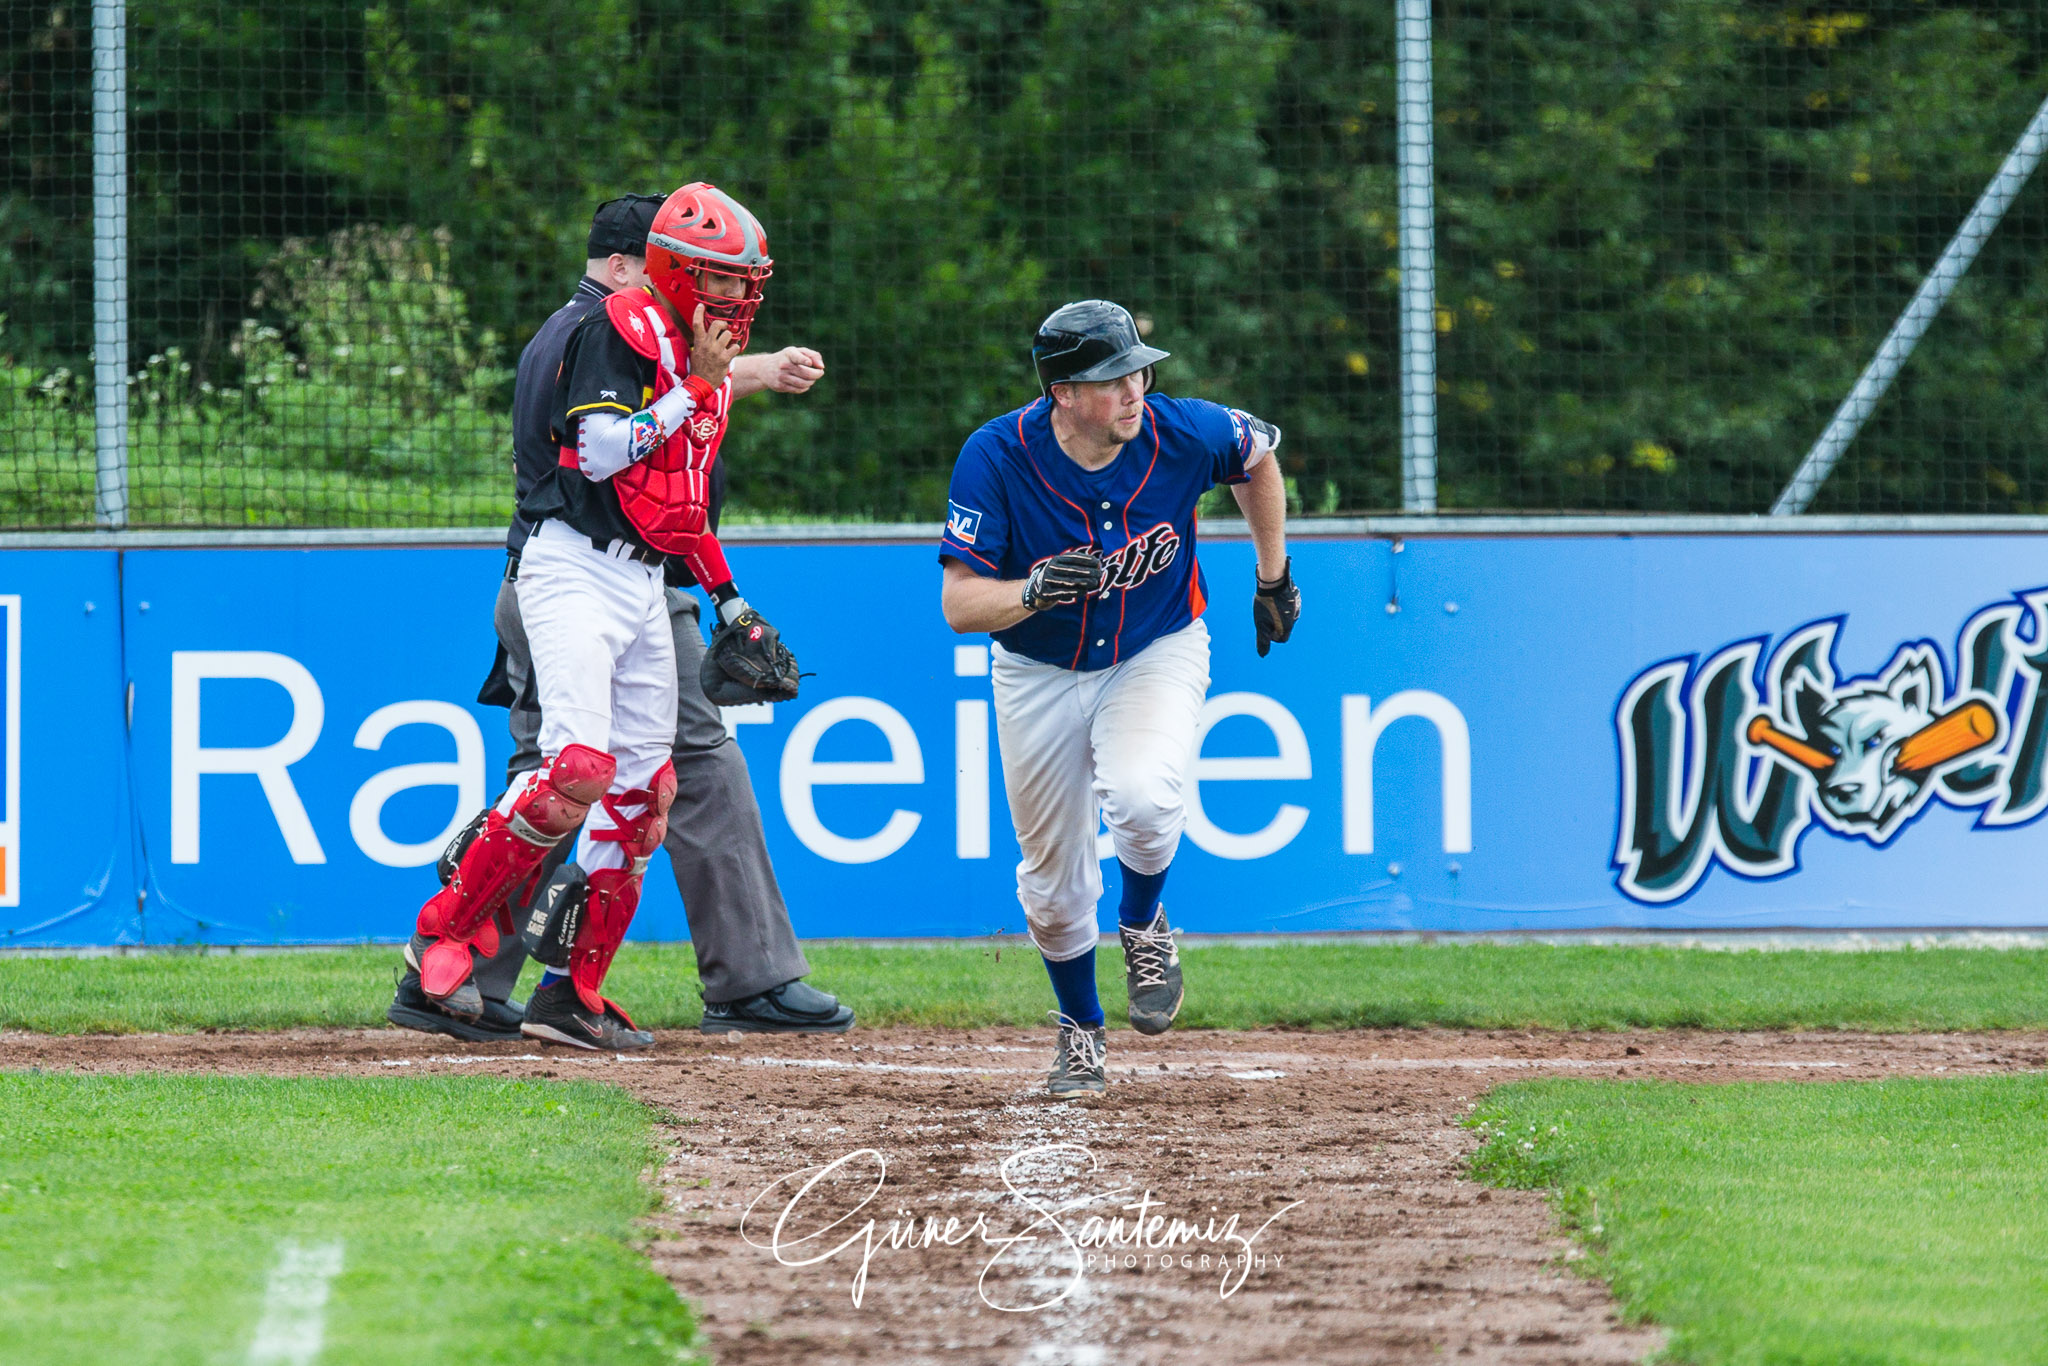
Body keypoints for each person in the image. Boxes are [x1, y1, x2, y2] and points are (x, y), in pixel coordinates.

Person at [395, 182, 849, 1051]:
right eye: (709, 278)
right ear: (635, 267)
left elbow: (675, 501)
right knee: (571, 772)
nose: (724, 300)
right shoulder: (602, 328)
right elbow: (605, 454)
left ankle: (566, 991)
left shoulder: (657, 347)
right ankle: (442, 949)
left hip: (638, 575)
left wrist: (729, 600)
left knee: (639, 785)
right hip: (570, 566)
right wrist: (702, 390)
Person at [937, 300, 1300, 1096]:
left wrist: (1273, 577)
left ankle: (1142, 923)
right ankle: (1082, 1032)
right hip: (1036, 670)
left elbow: (1259, 456)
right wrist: (1030, 590)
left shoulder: (1181, 429)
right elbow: (961, 606)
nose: (1135, 388)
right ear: (1062, 392)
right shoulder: (997, 455)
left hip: (1155, 648)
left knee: (1142, 796)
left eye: (1139, 369)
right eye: (1111, 378)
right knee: (1054, 883)